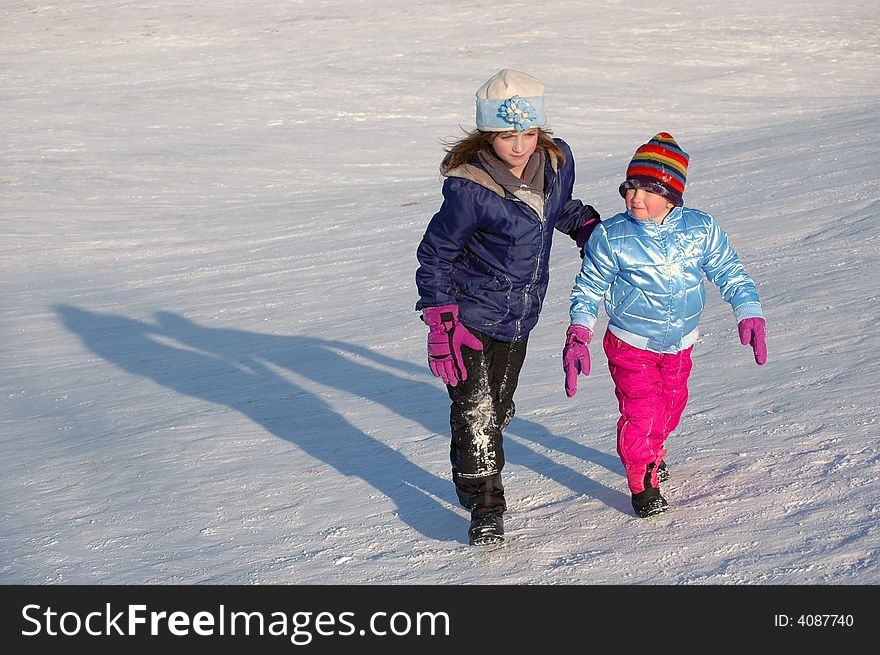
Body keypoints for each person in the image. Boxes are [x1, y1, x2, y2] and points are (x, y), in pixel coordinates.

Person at [415, 69, 600, 545]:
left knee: (497, 408)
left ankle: (481, 463)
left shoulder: (556, 162)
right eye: (505, 135)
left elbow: (558, 208)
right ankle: (485, 504)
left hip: (519, 317)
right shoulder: (470, 187)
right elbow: (437, 253)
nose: (518, 147)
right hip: (468, 318)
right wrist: (441, 320)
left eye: (527, 133)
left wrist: (589, 230)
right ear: (486, 134)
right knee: (474, 409)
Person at [563, 132, 767, 518]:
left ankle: (653, 451)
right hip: (630, 343)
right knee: (642, 412)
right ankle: (642, 481)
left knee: (670, 409)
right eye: (630, 187)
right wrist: (579, 331)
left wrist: (749, 309)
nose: (635, 197)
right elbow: (590, 286)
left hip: (680, 343)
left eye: (648, 189)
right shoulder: (612, 235)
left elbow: (728, 270)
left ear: (671, 195)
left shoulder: (700, 228)